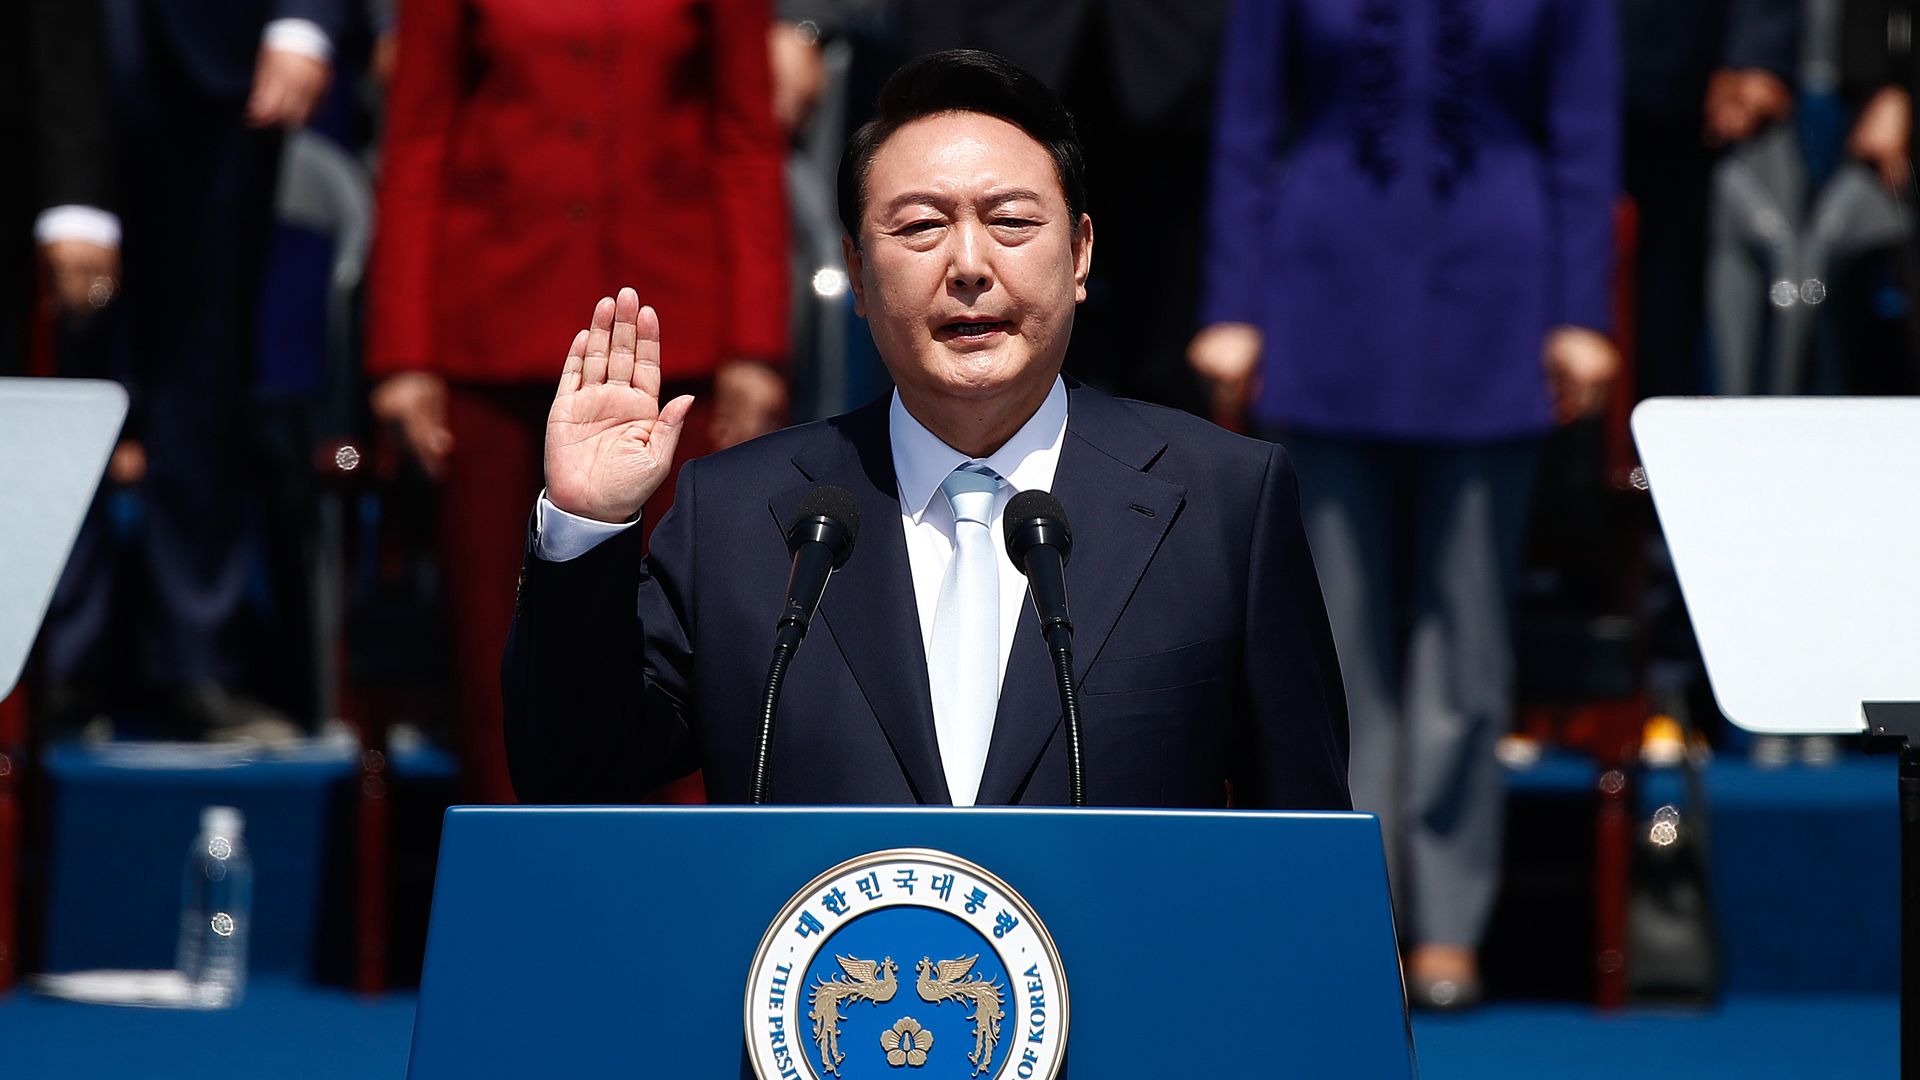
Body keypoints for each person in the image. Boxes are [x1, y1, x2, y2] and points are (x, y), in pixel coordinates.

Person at [503, 50, 1350, 811]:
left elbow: (1305, 827)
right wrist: (585, 528)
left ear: (1082, 253)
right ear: (859, 272)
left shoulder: (1220, 501)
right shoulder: (739, 514)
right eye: (919, 228)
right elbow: (576, 774)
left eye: (1013, 222)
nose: (971, 266)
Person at [1189, 0, 1621, 1009]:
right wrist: (1232, 303)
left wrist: (1581, 311)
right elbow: (1248, 119)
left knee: (1468, 635)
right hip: (1321, 287)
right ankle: (1350, 907)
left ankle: (1450, 921)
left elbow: (1587, 130)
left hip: (1499, 293)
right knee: (1328, 643)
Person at [365, 0, 791, 802]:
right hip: (489, 331)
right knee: (501, 637)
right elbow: (418, 135)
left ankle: (683, 890)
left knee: (689, 627)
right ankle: (516, 880)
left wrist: (757, 345)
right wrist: (404, 351)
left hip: (673, 333)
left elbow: (744, 135)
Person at [40, 0, 345, 740]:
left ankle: (197, 656)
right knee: (55, 370)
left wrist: (305, 22)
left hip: (221, 67)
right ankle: (57, 664)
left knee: (205, 371)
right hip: (43, 67)